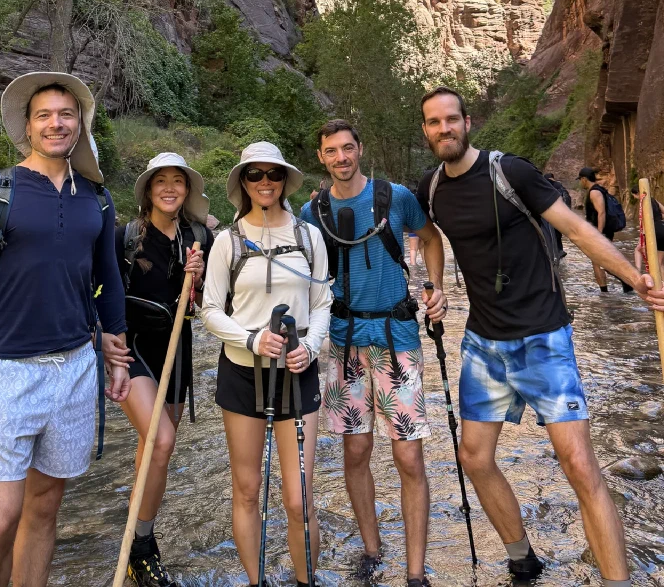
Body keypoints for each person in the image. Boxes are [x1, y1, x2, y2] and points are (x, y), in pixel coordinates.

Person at [417, 86, 664, 587]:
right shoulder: (431, 189)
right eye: (433, 122)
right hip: (484, 342)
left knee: (577, 463)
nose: (444, 129)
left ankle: (618, 582)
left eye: (451, 120)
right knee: (474, 457)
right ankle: (521, 557)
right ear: (426, 130)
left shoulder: (512, 173)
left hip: (543, 337)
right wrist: (436, 285)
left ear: (467, 122)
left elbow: (575, 228)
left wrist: (636, 279)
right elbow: (430, 239)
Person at [0, 71, 131, 587]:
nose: (56, 123)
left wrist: (115, 344)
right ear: (27, 126)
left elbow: (108, 277)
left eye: (66, 114)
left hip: (75, 369)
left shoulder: (98, 199)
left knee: (43, 512)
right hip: (5, 369)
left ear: (80, 125)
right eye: (45, 115)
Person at [302, 119, 447, 587]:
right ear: (321, 158)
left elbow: (431, 238)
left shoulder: (395, 197)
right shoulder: (313, 213)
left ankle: (415, 571)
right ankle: (371, 549)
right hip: (343, 343)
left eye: (348, 148)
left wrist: (436, 287)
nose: (341, 157)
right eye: (331, 151)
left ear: (360, 149)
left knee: (408, 458)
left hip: (396, 339)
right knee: (356, 450)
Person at [201, 141, 332, 587]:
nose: (264, 182)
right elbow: (211, 309)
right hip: (242, 374)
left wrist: (311, 347)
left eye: (272, 174)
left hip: (298, 374)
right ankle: (257, 581)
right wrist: (252, 338)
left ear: (283, 180)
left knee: (299, 500)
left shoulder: (308, 236)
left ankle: (304, 581)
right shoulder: (227, 242)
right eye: (254, 175)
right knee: (248, 489)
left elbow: (322, 301)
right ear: (242, 182)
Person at [117, 153, 213, 587]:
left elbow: (205, 306)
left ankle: (139, 534)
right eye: (162, 181)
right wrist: (106, 343)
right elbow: (102, 293)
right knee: (161, 438)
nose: (170, 188)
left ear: (187, 190)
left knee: (153, 449)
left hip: (176, 350)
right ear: (148, 190)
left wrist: (199, 279)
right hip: (131, 348)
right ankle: (140, 546)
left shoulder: (198, 238)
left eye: (178, 181)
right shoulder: (126, 238)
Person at [578, 167, 633, 293]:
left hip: (600, 232)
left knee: (600, 262)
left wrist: (599, 234)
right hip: (600, 232)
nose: (581, 182)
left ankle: (622, 283)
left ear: (584, 179)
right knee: (600, 261)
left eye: (581, 180)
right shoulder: (598, 190)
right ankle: (611, 288)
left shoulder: (594, 192)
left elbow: (601, 213)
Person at [630, 183, 664, 276]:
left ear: (636, 194)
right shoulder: (654, 200)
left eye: (634, 195)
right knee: (660, 262)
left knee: (638, 249)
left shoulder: (642, 203)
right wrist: (659, 218)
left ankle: (637, 272)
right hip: (662, 227)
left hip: (654, 230)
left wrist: (643, 238)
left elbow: (646, 221)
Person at [544, 172, 571, 259]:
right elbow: (568, 200)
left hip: (551, 215)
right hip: (562, 215)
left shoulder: (547, 185)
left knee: (550, 235)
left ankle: (554, 254)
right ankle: (560, 251)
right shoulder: (561, 187)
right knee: (558, 235)